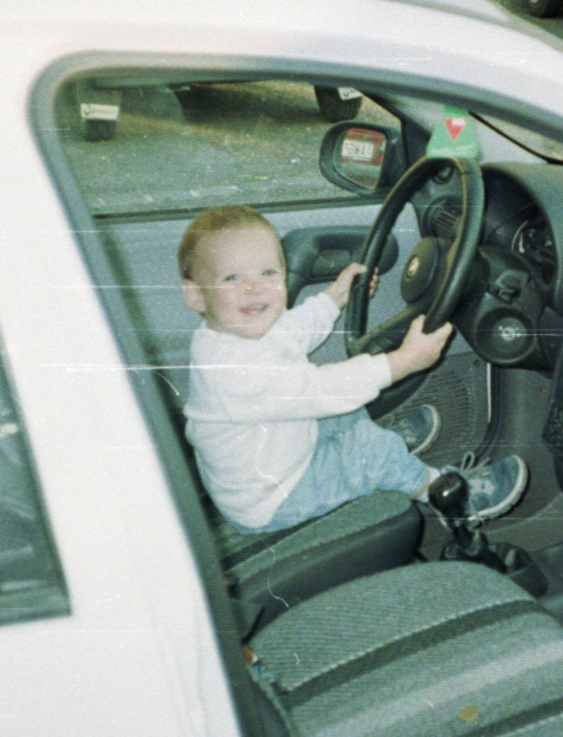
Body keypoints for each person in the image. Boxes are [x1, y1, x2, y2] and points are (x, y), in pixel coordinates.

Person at [178, 205, 527, 534]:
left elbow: (292, 331)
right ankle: (450, 498)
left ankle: (391, 448)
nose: (253, 288)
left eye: (268, 272)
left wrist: (335, 297)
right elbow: (324, 389)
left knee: (348, 413)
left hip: (274, 457)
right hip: (272, 499)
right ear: (195, 296)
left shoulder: (234, 334)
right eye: (232, 277)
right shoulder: (232, 371)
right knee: (370, 451)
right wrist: (402, 361)